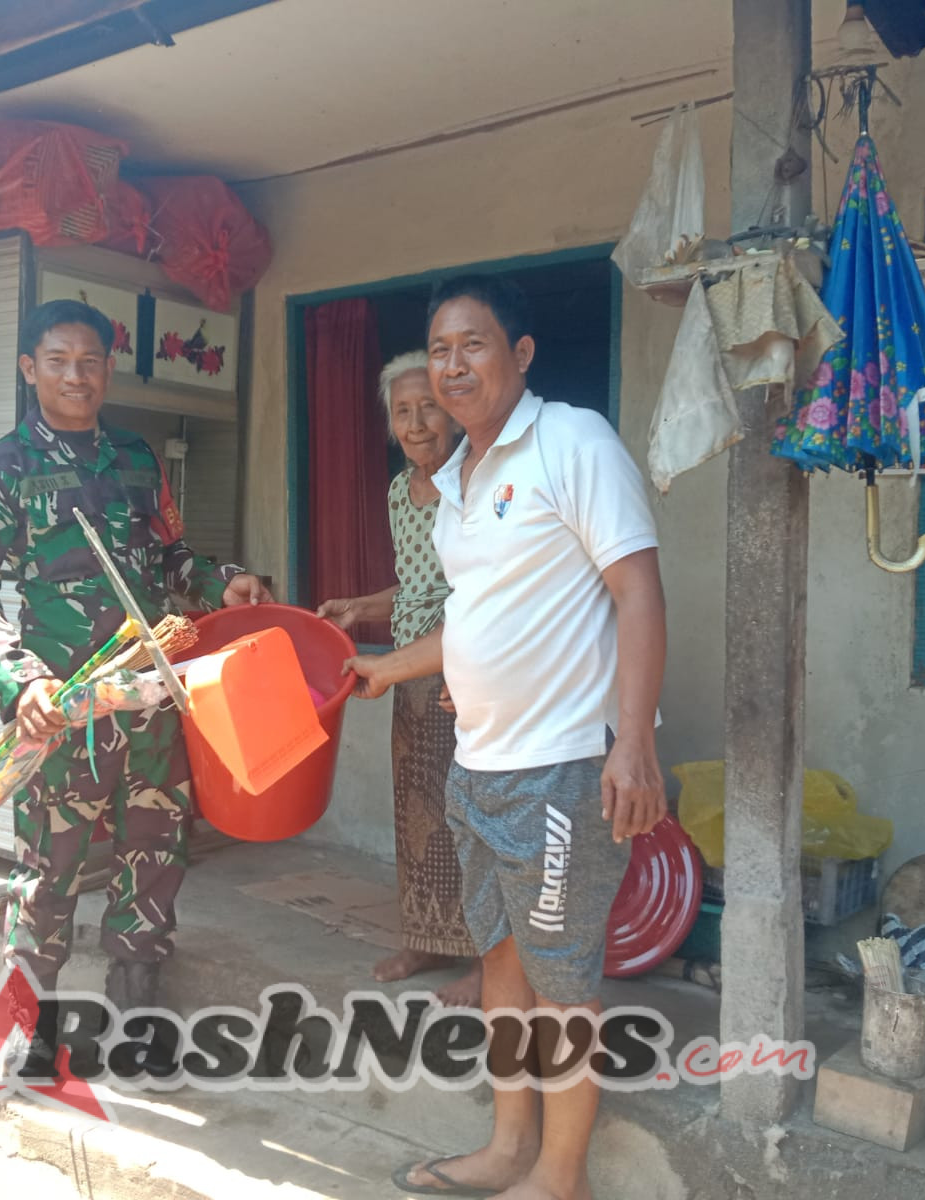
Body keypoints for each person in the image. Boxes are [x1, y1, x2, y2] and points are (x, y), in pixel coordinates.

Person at [347, 277, 666, 1200]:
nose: (452, 365)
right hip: (477, 764)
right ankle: (507, 1145)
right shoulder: (457, 482)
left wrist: (633, 741)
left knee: (563, 986)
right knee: (499, 963)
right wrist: (385, 669)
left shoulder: (572, 441)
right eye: (440, 348)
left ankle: (560, 1177)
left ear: (520, 356)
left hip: (561, 769)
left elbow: (636, 590)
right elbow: (475, 623)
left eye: (472, 345)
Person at [0, 298, 271, 1058]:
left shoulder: (135, 458)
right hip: (63, 704)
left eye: (89, 361)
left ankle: (138, 1002)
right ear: (30, 370)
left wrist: (220, 581)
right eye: (57, 361)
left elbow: (170, 555)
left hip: (152, 697)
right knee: (49, 868)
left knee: (155, 849)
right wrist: (18, 681)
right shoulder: (0, 472)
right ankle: (32, 1019)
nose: (75, 376)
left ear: (108, 370)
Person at [318, 352, 480, 1008]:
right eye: (402, 412)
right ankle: (426, 938)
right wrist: (361, 607)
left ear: (456, 409)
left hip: (466, 672)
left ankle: (483, 961)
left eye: (429, 407)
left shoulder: (479, 482)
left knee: (469, 816)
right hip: (406, 673)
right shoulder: (398, 491)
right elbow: (415, 586)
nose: (416, 424)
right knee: (417, 814)